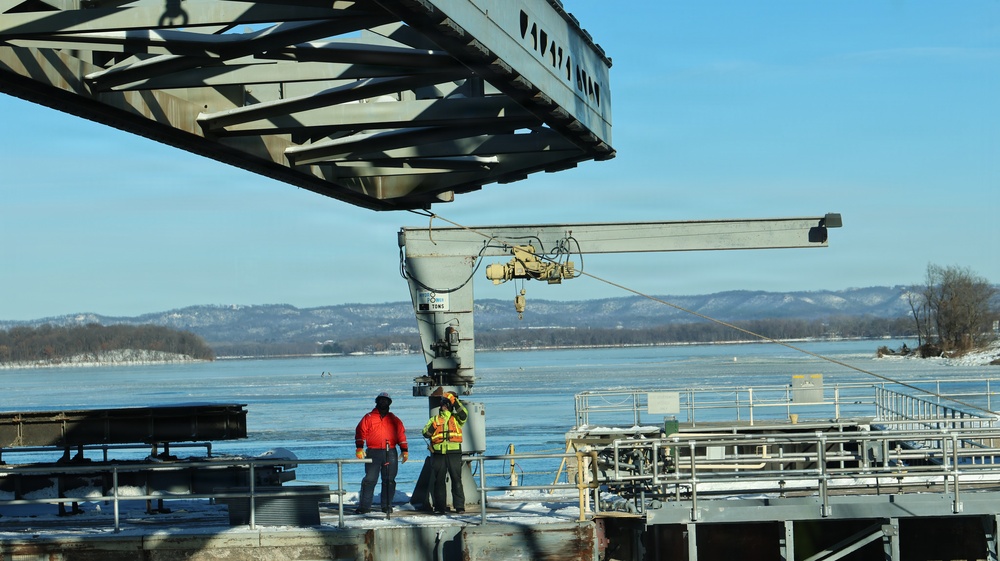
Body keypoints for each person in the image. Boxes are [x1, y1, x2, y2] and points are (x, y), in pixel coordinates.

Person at [353, 392, 408, 514]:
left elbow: (401, 435)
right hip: (373, 452)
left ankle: (387, 506)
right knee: (370, 480)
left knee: (389, 480)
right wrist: (359, 448)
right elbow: (360, 433)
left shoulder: (394, 419)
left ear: (389, 403)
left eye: (386, 401)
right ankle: (364, 507)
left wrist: (404, 450)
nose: (383, 403)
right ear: (377, 402)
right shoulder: (368, 417)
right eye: (381, 400)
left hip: (391, 452)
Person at [422, 391, 468, 514]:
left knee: (456, 479)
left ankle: (459, 507)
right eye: (443, 403)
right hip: (438, 453)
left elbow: (464, 415)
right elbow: (426, 433)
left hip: (454, 452)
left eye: (447, 404)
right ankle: (439, 507)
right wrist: (434, 425)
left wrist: (454, 400)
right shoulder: (434, 419)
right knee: (439, 481)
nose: (444, 406)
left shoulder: (456, 418)